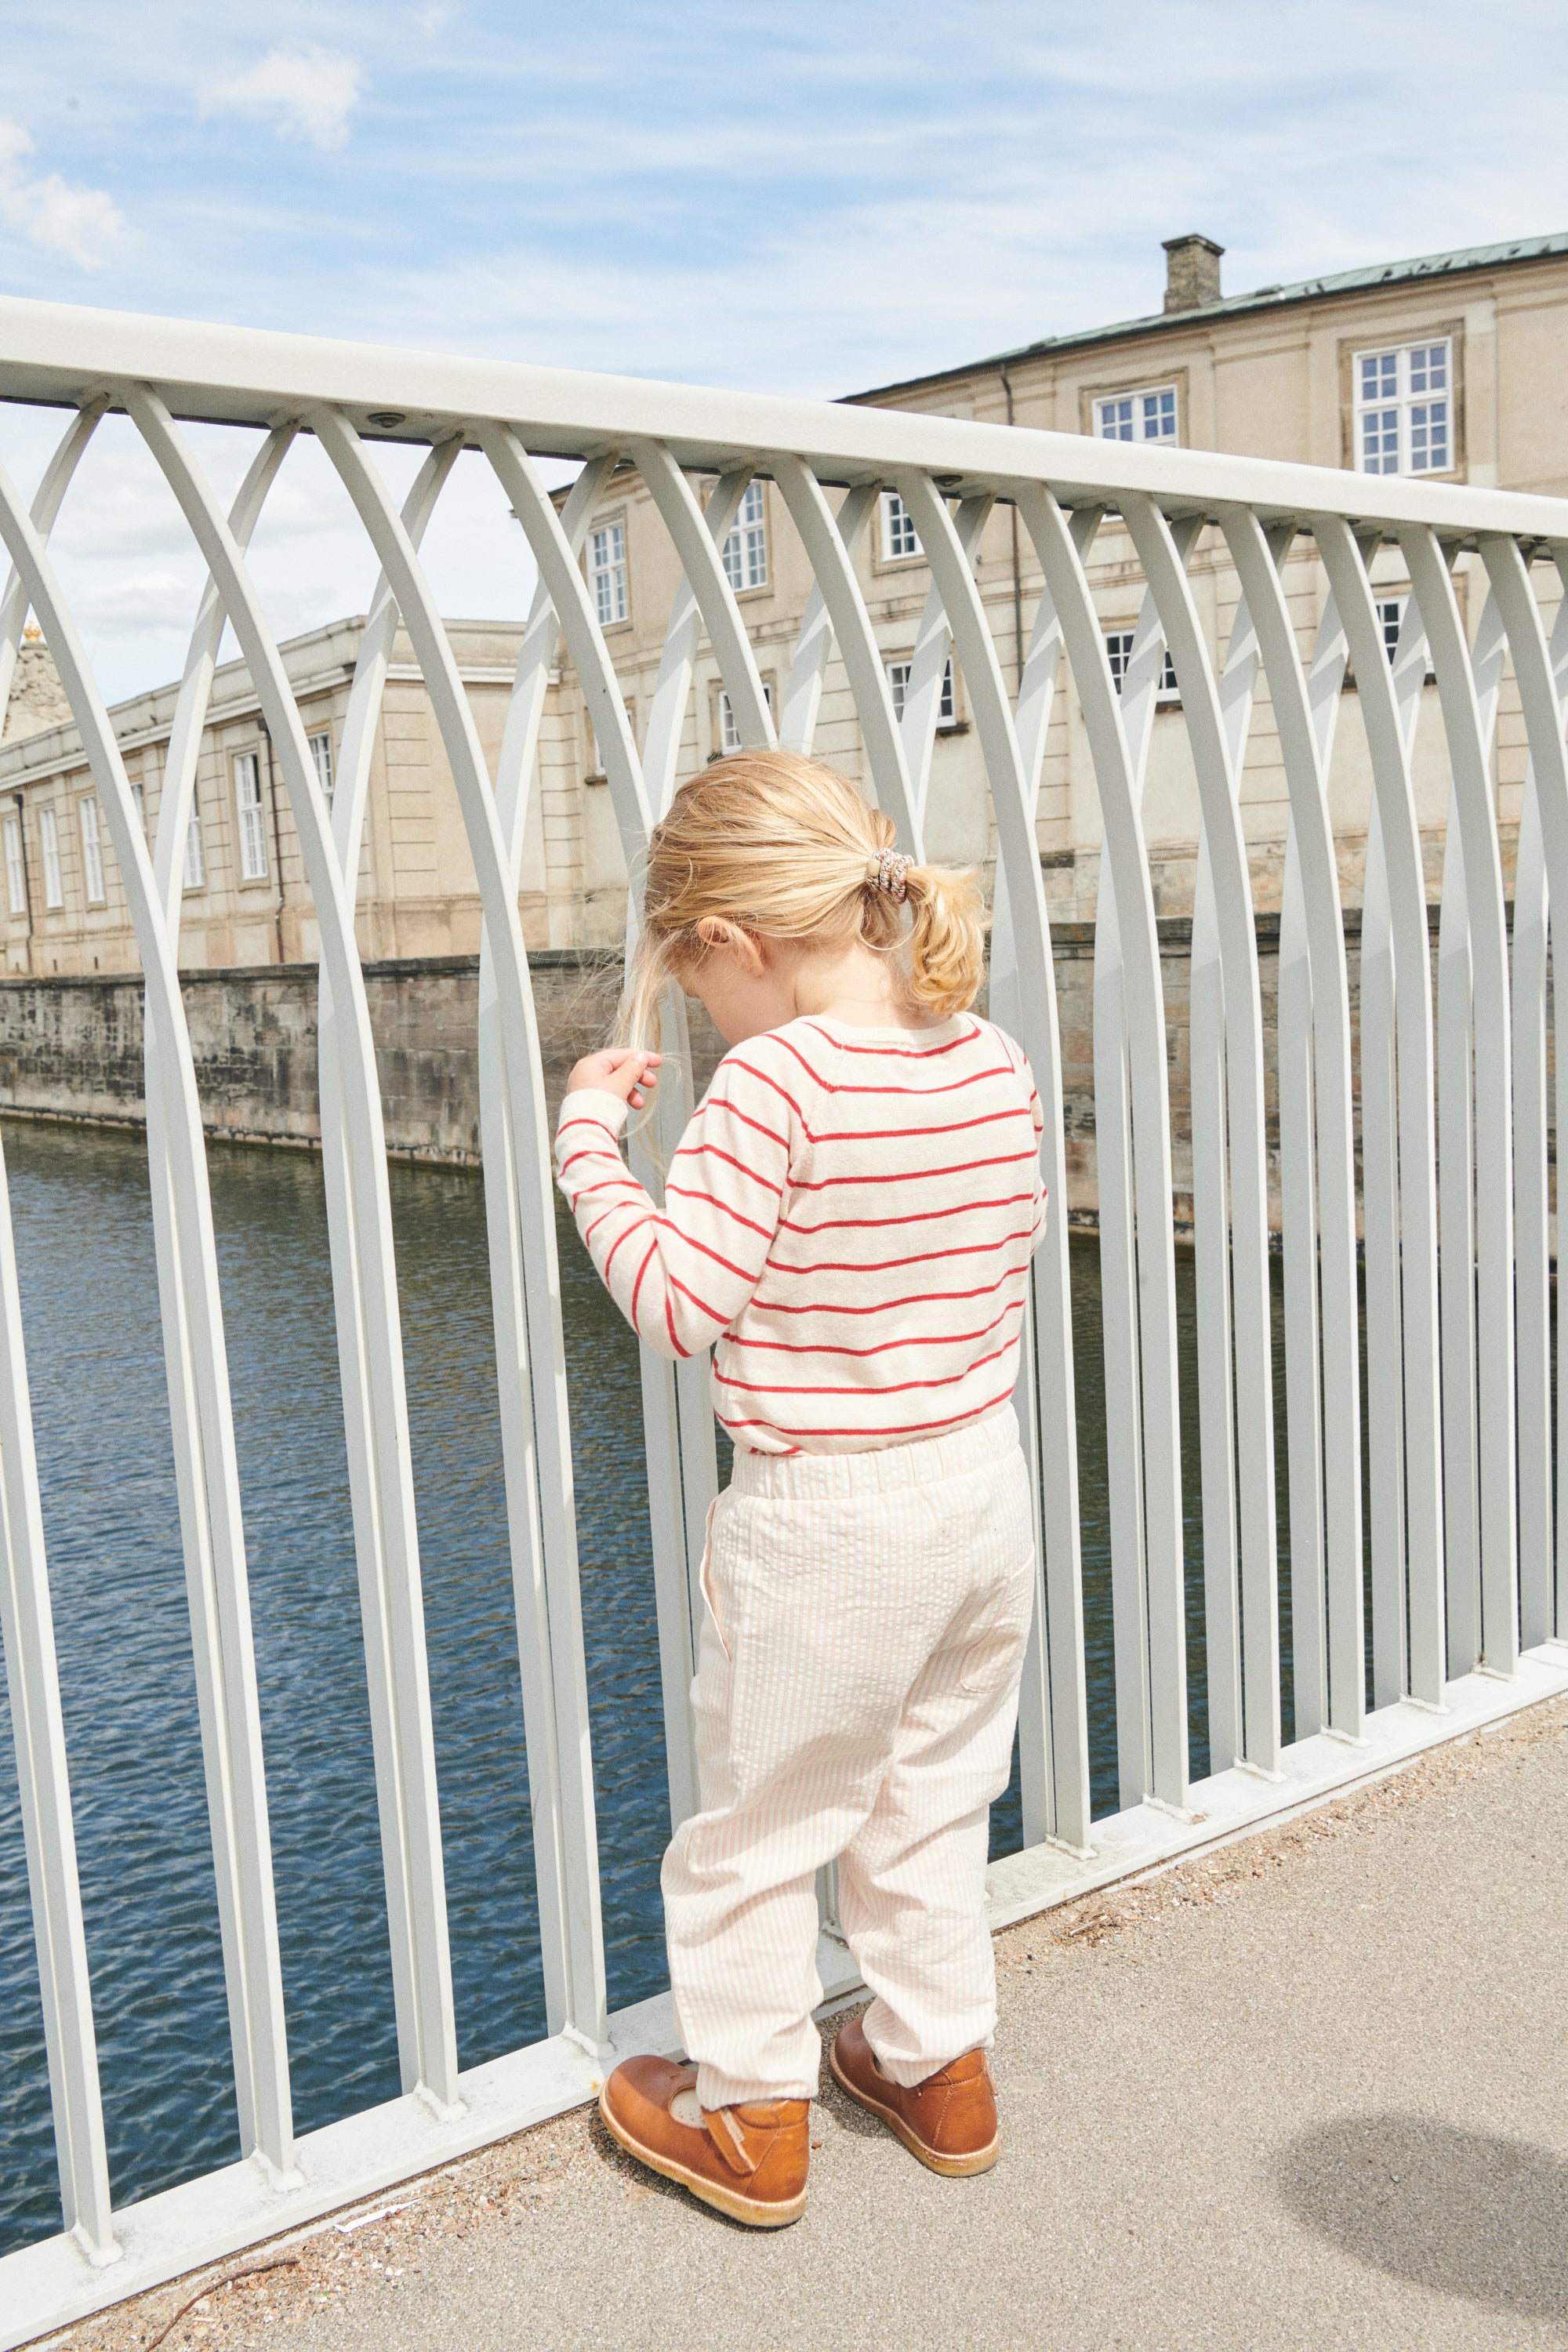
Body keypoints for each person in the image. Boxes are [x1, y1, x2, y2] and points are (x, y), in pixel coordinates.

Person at [554, 749, 1047, 2227]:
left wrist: (594, 1145)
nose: (708, 1014)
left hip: (828, 1514)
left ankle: (750, 2113)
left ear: (739, 943)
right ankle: (934, 2063)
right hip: (979, 1491)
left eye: (698, 979)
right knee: (934, 1796)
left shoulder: (774, 1082)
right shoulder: (985, 1051)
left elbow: (681, 1301)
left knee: (762, 1825)